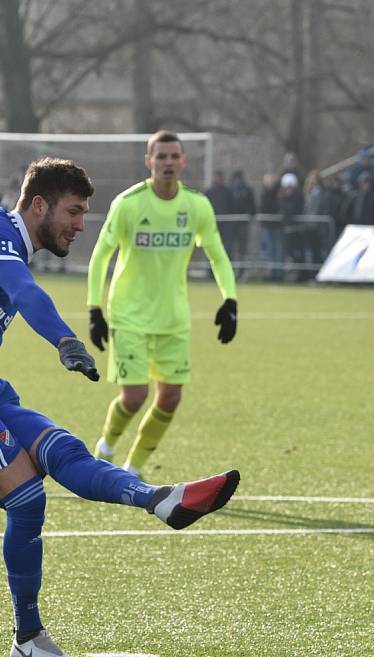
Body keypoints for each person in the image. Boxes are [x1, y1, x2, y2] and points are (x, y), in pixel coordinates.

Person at [0, 157, 240, 657]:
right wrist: (65, 340)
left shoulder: (10, 246)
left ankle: (161, 500)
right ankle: (28, 637)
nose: (80, 225)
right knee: (27, 493)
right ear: (37, 205)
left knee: (59, 447)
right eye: (73, 212)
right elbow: (25, 293)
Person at [87, 130, 238, 478]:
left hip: (174, 318)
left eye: (174, 157)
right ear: (149, 162)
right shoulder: (129, 204)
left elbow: (217, 255)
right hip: (129, 315)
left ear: (184, 161)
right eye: (161, 157)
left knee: (170, 398)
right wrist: (95, 309)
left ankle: (134, 468)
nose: (167, 163)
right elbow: (100, 256)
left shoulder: (197, 206)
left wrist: (230, 300)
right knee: (135, 396)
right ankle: (106, 449)